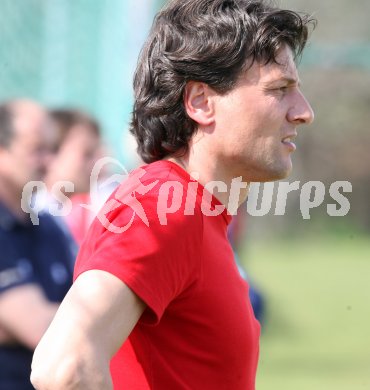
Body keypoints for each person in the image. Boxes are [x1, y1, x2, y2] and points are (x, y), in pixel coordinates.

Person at [31, 1, 315, 389]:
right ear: (200, 102)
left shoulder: (195, 210)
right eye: (279, 89)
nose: (303, 112)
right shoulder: (162, 204)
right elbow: (64, 366)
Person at [0, 100, 75, 389]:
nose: (48, 162)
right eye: (36, 150)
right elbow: (37, 328)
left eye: (51, 150)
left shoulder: (49, 226)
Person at [42, 108, 103, 244]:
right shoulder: (30, 216)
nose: (97, 163)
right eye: (87, 154)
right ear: (52, 154)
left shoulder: (72, 213)